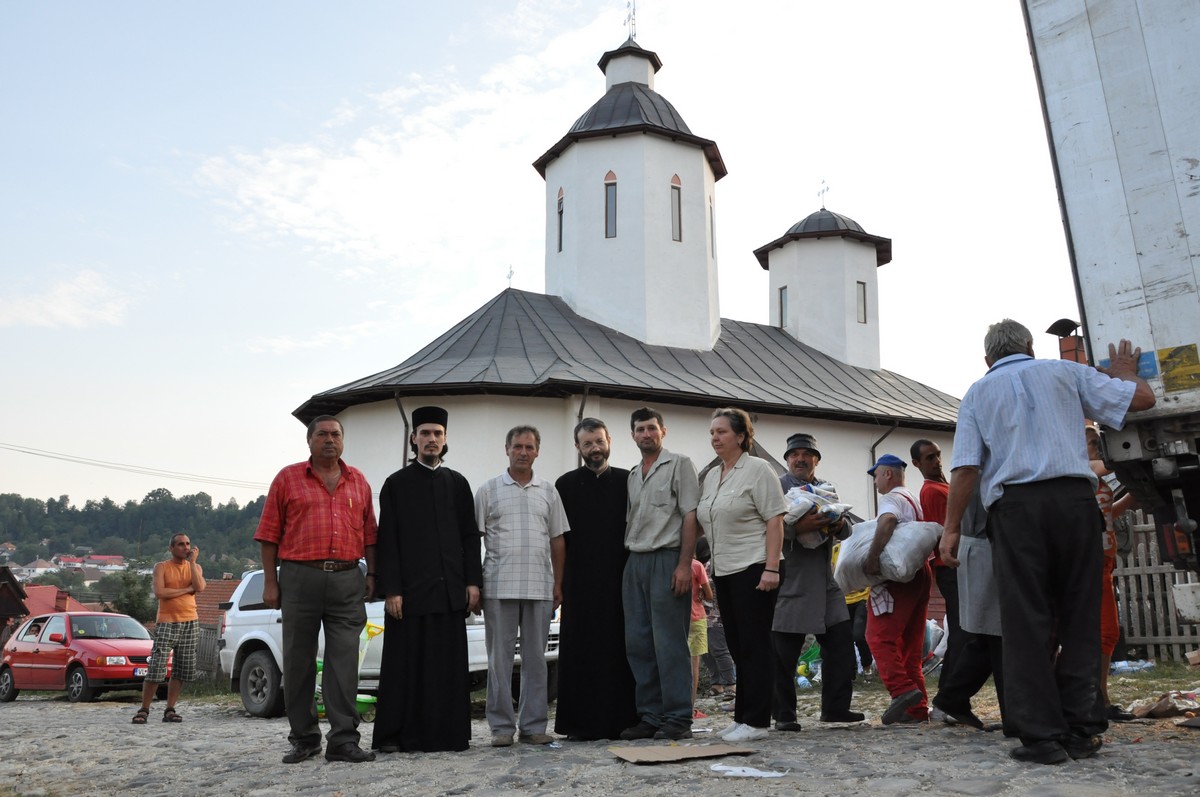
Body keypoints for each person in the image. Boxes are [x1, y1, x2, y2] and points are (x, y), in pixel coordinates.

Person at [940, 320, 1154, 764]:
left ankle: (1042, 737)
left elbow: (965, 469)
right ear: (1030, 348)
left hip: (1016, 512)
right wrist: (1123, 370)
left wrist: (952, 527)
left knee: (1025, 623)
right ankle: (1082, 728)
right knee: (1080, 615)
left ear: (988, 360)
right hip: (1075, 504)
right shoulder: (1065, 372)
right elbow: (1143, 399)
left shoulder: (978, 393)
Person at [255, 415, 378, 764]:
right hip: (298, 578)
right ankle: (305, 738)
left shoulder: (359, 481)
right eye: (322, 434)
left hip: (347, 579)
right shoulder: (288, 478)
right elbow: (268, 535)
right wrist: (270, 581)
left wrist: (373, 575)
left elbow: (370, 535)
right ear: (309, 441)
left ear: (343, 441)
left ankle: (343, 740)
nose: (329, 440)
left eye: (335, 434)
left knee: (343, 662)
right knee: (298, 661)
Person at [371, 406, 481, 753]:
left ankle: (447, 735)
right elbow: (387, 540)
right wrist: (392, 590)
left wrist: (473, 583)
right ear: (413, 439)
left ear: (445, 439)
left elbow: (469, 538)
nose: (431, 439)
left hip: (450, 592)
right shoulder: (396, 484)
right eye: (425, 434)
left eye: (437, 434)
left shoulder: (458, 484)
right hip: (409, 596)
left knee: (446, 668)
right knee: (406, 667)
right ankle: (396, 735)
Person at [476, 425, 567, 747]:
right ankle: (501, 728)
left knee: (536, 660)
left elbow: (557, 539)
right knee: (499, 661)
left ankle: (533, 726)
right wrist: (475, 585)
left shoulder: (549, 491)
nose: (523, 452)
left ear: (537, 451)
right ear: (507, 449)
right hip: (498, 586)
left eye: (529, 447)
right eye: (517, 446)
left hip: (540, 587)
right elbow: (475, 539)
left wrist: (558, 582)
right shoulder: (488, 490)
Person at [698, 407, 785, 743]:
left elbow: (774, 520)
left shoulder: (759, 469)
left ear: (740, 435)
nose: (715, 438)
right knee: (737, 645)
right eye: (712, 432)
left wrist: (772, 567)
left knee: (755, 645)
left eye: (721, 431)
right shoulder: (712, 476)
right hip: (725, 569)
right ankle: (743, 717)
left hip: (755, 567)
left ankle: (759, 721)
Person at [553, 418, 639, 741]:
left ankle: (623, 719)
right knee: (580, 650)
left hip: (620, 580)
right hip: (579, 583)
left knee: (620, 648)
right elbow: (558, 538)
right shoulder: (564, 484)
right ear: (578, 447)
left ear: (610, 441)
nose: (594, 449)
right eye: (587, 443)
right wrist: (559, 582)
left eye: (599, 442)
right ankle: (579, 724)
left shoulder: (627, 481)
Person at [772, 433, 864, 730]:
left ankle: (835, 709)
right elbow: (763, 527)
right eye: (794, 454)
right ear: (787, 460)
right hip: (790, 581)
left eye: (806, 454)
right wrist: (797, 528)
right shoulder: (776, 487)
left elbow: (847, 530)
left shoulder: (825, 489)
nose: (800, 458)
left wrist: (836, 522)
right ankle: (784, 715)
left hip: (825, 583)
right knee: (783, 654)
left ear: (816, 460)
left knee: (840, 645)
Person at [619, 407, 701, 742]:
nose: (646, 434)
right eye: (640, 429)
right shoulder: (634, 474)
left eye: (652, 428)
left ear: (662, 431)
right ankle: (651, 715)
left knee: (669, 642)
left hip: (667, 559)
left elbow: (690, 516)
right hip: (635, 560)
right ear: (633, 435)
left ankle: (678, 716)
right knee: (639, 642)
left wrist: (684, 564)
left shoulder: (679, 464)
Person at [930, 481, 1006, 732]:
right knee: (998, 634)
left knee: (989, 636)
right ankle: (1015, 713)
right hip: (985, 545)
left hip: (984, 544)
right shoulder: (979, 467)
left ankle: (953, 697)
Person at [863, 453, 929, 725]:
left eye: (876, 475)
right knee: (910, 647)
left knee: (878, 637)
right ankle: (916, 710)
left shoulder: (891, 499)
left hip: (895, 575)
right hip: (919, 572)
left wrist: (872, 557)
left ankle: (902, 690)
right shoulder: (912, 498)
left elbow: (887, 521)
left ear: (887, 474)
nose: (875, 481)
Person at [911, 438, 967, 725]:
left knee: (963, 632)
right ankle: (947, 698)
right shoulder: (932, 491)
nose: (936, 461)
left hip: (959, 565)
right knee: (961, 633)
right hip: (951, 566)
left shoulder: (943, 485)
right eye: (929, 458)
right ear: (917, 464)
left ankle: (951, 698)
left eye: (938, 455)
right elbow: (946, 529)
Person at [1086, 425, 1137, 723]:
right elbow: (1108, 464)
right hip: (1093, 562)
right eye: (1093, 442)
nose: (1098, 446)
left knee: (1106, 633)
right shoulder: (1087, 469)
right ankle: (1099, 699)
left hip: (1104, 560)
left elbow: (1109, 513)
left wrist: (1135, 495)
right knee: (1106, 632)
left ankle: (1098, 696)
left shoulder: (1094, 478)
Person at [132, 533, 206, 725]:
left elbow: (200, 587)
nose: (185, 547)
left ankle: (170, 709)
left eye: (188, 544)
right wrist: (185, 590)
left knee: (181, 670)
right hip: (167, 622)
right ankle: (144, 709)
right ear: (171, 548)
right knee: (157, 667)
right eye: (181, 544)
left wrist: (192, 564)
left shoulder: (195, 567)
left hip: (191, 621)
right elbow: (160, 592)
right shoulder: (162, 567)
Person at [689, 552, 712, 715]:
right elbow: (709, 594)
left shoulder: (668, 564)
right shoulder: (696, 566)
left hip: (676, 618)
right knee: (694, 665)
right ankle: (690, 707)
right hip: (696, 617)